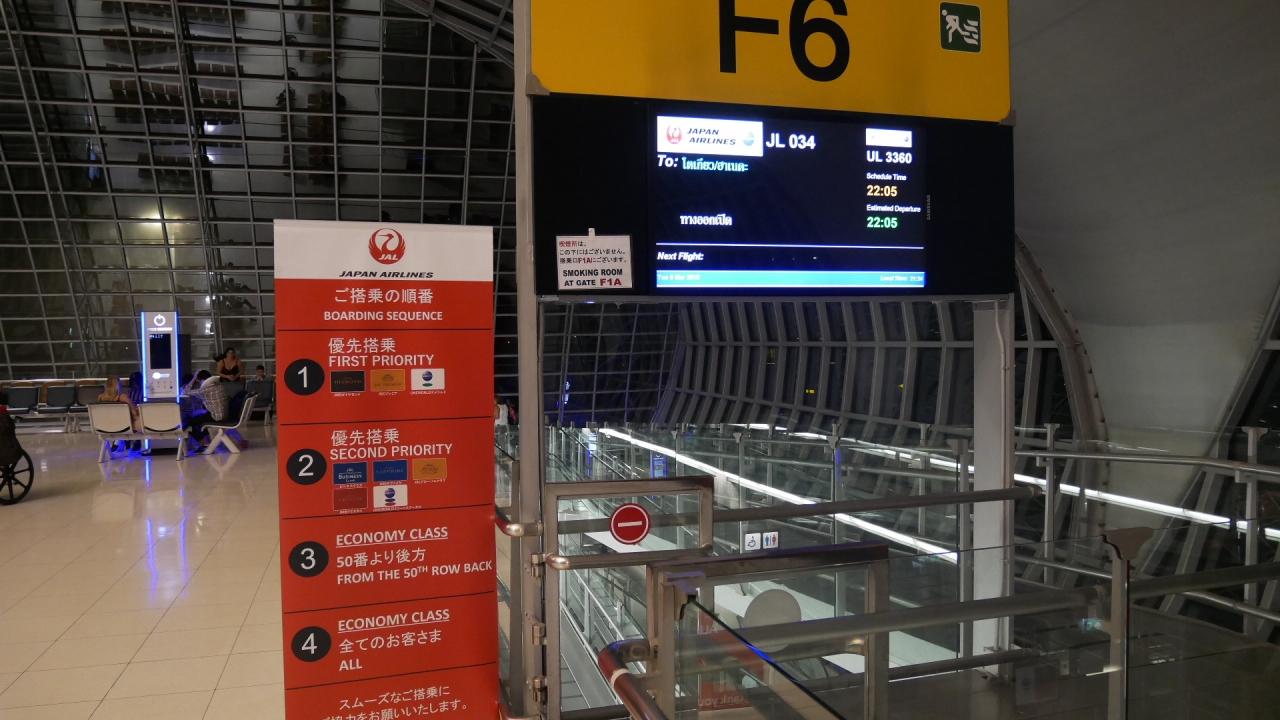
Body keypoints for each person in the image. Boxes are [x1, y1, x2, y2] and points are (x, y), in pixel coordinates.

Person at [185, 371, 228, 452]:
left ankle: (203, 442)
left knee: (188, 423)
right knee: (201, 417)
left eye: (198, 381)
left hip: (216, 416)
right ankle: (206, 441)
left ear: (201, 380)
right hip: (223, 414)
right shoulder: (218, 385)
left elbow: (186, 391)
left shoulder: (206, 389)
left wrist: (194, 378)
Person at [98, 377, 140, 451]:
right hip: (122, 427)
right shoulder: (122, 397)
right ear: (118, 386)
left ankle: (121, 442)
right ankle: (135, 441)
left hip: (105, 427)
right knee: (137, 418)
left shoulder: (100, 397)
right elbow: (134, 412)